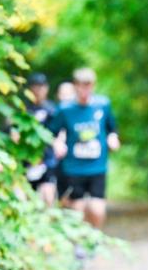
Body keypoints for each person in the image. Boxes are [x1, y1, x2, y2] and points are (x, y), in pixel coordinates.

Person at [50, 67, 120, 229]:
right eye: (81, 85)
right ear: (75, 86)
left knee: (97, 209)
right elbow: (51, 132)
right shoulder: (65, 109)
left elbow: (112, 128)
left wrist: (113, 138)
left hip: (97, 165)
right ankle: (80, 242)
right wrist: (57, 143)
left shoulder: (103, 105)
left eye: (88, 85)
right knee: (77, 209)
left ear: (93, 85)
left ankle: (94, 238)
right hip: (74, 167)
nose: (85, 89)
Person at [21, 73, 58, 207]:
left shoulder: (53, 110)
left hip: (47, 159)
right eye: (35, 87)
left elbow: (59, 131)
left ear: (46, 89)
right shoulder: (23, 110)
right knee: (26, 198)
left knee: (48, 197)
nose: (38, 91)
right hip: (26, 159)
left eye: (41, 87)